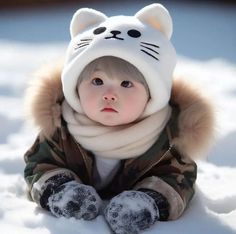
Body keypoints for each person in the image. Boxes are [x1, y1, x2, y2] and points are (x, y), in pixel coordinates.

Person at [24, 3, 215, 234]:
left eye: (127, 84)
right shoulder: (60, 129)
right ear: (75, 88)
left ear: (151, 95)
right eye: (97, 81)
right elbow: (40, 165)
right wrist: (60, 189)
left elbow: (178, 179)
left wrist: (150, 200)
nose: (109, 95)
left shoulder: (167, 140)